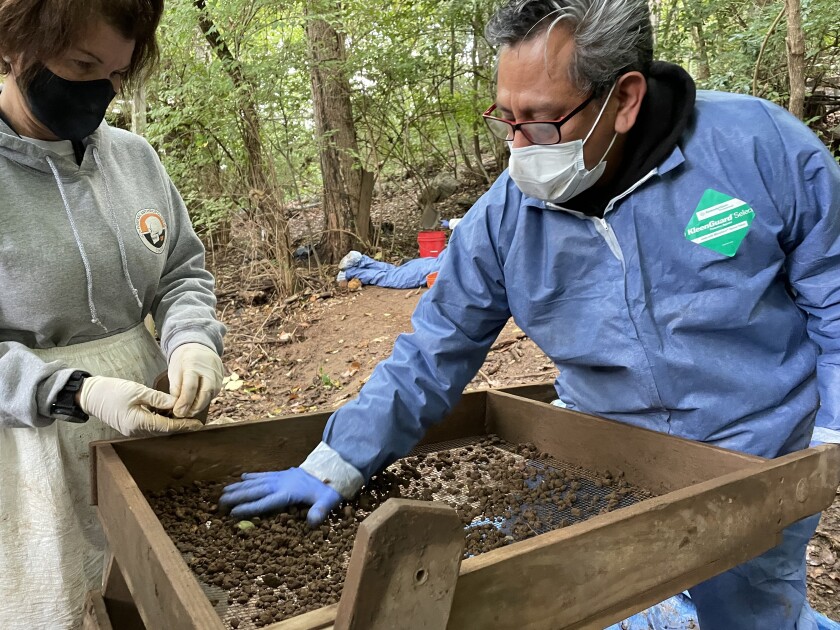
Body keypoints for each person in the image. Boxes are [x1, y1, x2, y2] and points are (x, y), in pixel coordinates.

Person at [221, 0, 840, 627]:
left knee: (748, 607)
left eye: (542, 122)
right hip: (605, 452)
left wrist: (827, 445)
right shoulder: (503, 217)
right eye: (507, 119)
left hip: (760, 454)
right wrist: (337, 463)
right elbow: (436, 350)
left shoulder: (760, 151)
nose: (519, 147)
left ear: (623, 99)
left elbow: (836, 298)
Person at [0, 1, 226, 627]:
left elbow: (180, 270)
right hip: (28, 448)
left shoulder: (133, 158)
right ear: (14, 46)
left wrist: (190, 342)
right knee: (68, 604)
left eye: (119, 73)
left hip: (145, 421)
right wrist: (75, 390)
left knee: (163, 595)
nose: (101, 90)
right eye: (81, 64)